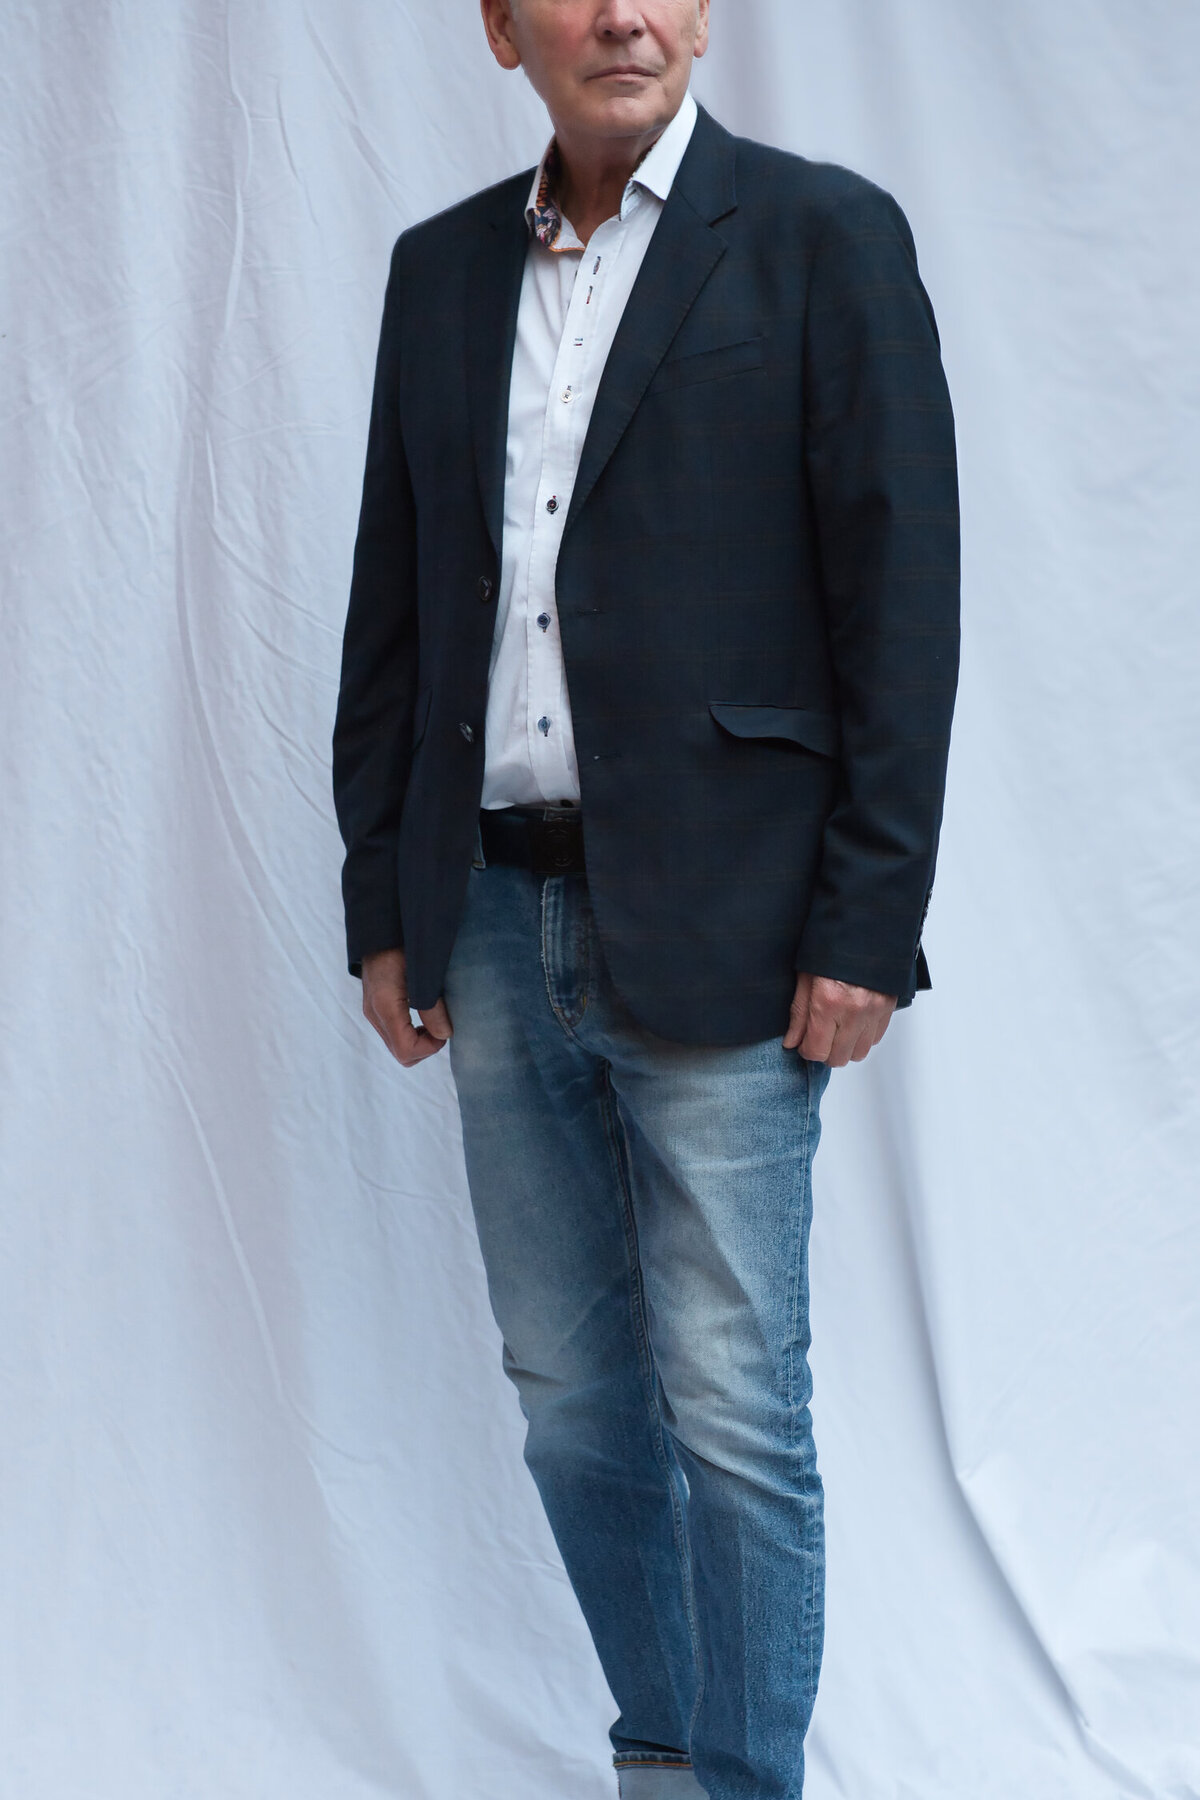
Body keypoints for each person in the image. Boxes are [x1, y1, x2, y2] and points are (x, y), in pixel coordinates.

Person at [332, 1, 959, 1793]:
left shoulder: (825, 237)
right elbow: (396, 604)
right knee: (570, 1398)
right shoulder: (439, 273)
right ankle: (664, 1763)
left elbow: (903, 602)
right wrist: (385, 896)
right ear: (500, 29)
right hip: (487, 913)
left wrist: (866, 921)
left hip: (735, 921)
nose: (623, 12)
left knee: (736, 1408)